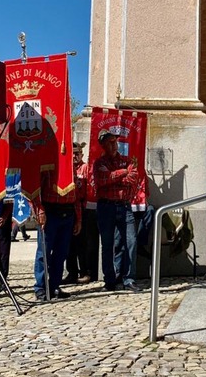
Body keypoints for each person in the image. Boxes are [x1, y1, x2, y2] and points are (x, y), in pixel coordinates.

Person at [93, 129, 142, 293]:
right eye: (110, 142)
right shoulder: (99, 163)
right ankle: (109, 280)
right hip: (106, 207)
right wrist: (122, 173)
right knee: (107, 244)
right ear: (103, 145)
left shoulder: (127, 160)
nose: (114, 145)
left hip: (124, 205)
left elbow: (133, 179)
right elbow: (102, 180)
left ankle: (129, 279)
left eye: (115, 141)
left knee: (131, 241)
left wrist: (116, 177)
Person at [33, 162, 81, 301]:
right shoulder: (47, 165)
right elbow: (35, 191)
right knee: (44, 252)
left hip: (68, 213)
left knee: (61, 253)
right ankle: (40, 287)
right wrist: (40, 210)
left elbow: (76, 196)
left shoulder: (71, 168)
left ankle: (54, 285)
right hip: (50, 212)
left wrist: (78, 219)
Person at [64, 142, 96, 284]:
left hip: (84, 208)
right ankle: (72, 272)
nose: (75, 156)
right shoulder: (67, 169)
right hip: (70, 208)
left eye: (77, 153)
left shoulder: (86, 168)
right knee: (69, 244)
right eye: (73, 153)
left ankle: (85, 271)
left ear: (82, 154)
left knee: (83, 244)